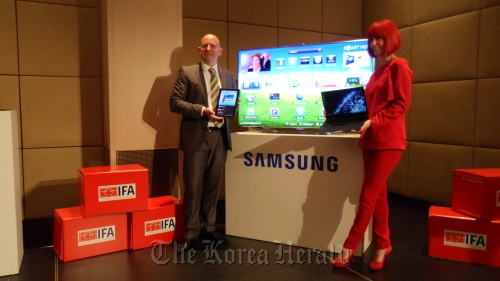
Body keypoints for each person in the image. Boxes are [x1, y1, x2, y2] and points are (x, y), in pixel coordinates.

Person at [332, 19, 413, 270]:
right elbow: (370, 107)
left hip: (389, 140)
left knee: (367, 194)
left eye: (379, 38)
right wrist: (346, 116)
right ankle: (383, 245)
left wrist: (373, 121)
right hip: (370, 139)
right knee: (378, 197)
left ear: (390, 39)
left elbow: (401, 104)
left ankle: (349, 247)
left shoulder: (399, 66)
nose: (374, 43)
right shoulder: (376, 73)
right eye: (371, 39)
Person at [170, 34, 236, 250]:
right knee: (194, 186)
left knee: (213, 188)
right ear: (199, 50)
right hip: (196, 137)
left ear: (220, 51)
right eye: (205, 45)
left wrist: (234, 107)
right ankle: (190, 233)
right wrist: (201, 110)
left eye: (213, 45)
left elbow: (233, 100)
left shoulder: (228, 76)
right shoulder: (187, 72)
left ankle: (208, 229)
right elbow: (175, 102)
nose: (208, 48)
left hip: (219, 137)